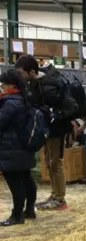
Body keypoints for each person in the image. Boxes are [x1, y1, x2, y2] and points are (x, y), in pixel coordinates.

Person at [15, 55, 79, 211]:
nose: (20, 77)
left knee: (55, 163)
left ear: (31, 72)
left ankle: (59, 199)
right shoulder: (35, 85)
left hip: (56, 129)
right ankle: (54, 194)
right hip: (47, 129)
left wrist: (57, 115)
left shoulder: (48, 87)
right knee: (50, 162)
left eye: (22, 73)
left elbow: (72, 106)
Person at [0, 70, 37, 226]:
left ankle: (17, 216)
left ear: (10, 85)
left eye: (3, 84)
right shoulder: (23, 99)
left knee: (16, 183)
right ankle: (29, 210)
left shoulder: (10, 103)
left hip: (10, 148)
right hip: (23, 146)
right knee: (26, 179)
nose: (1, 87)